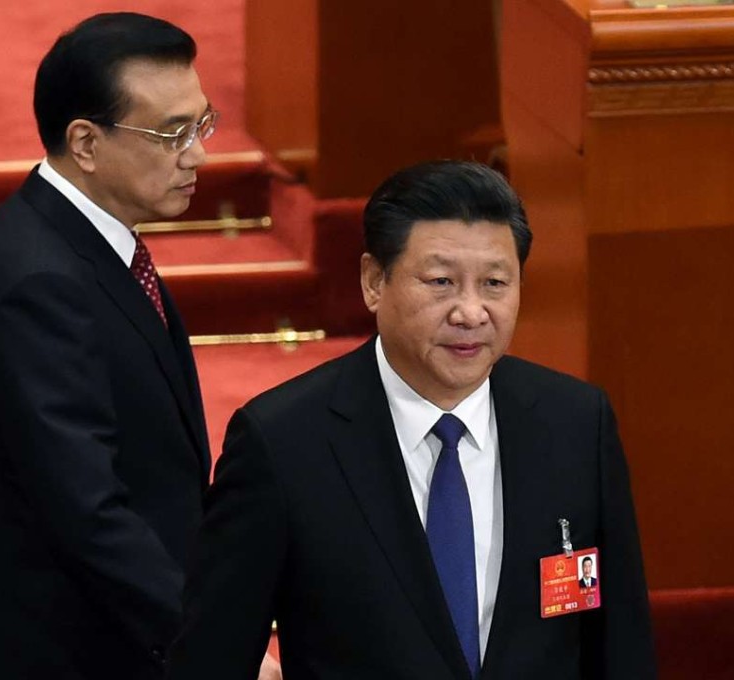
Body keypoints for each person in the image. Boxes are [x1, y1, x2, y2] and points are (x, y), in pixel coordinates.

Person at [0, 12, 280, 680]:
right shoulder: (39, 279)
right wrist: (206, 638)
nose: (199, 154)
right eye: (173, 133)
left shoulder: (74, 239)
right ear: (86, 143)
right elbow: (86, 506)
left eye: (201, 123)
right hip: (73, 648)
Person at [168, 161, 655, 679]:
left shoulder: (577, 423)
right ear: (374, 281)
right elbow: (212, 655)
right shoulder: (284, 441)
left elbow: (619, 643)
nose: (471, 312)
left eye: (494, 283)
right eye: (441, 281)